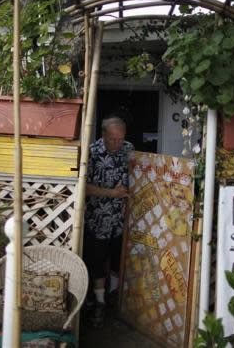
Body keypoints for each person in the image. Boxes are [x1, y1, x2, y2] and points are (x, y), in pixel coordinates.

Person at [84, 116, 134, 327]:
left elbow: (137, 174)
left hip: (122, 220)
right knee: (97, 263)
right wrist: (112, 193)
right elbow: (84, 187)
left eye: (120, 139)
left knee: (119, 261)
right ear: (103, 134)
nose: (117, 143)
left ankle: (112, 300)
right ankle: (99, 304)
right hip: (98, 220)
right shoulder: (92, 153)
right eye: (113, 139)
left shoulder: (128, 149)